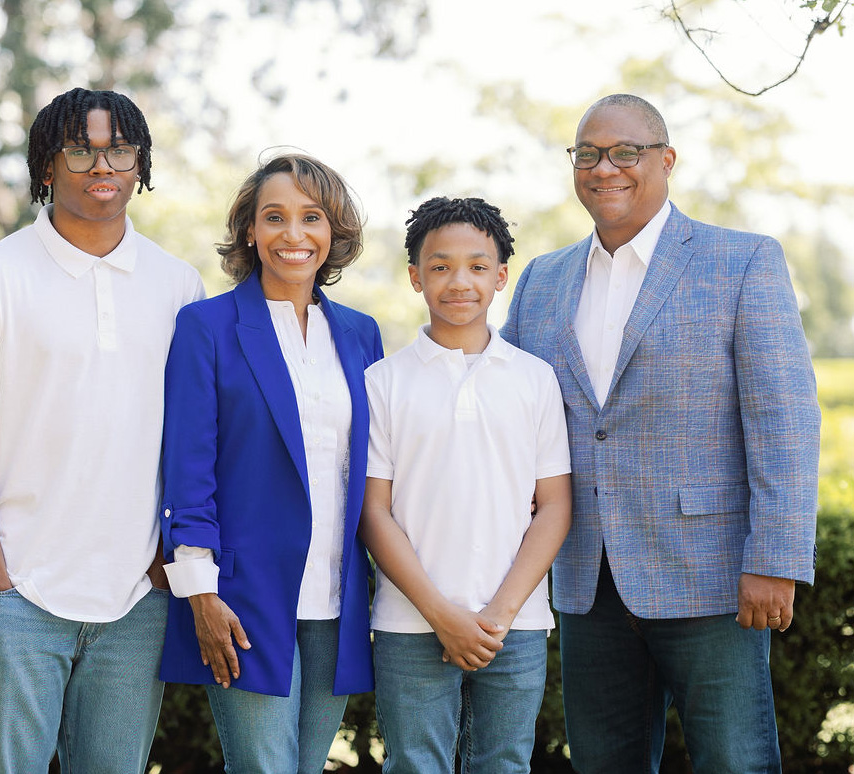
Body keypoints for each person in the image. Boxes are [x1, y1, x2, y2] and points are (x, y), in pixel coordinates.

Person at [501, 93, 820, 773]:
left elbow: (784, 420)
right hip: (585, 579)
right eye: (586, 154)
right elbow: (504, 408)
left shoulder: (741, 262)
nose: (603, 167)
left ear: (665, 160)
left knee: (735, 762)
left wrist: (776, 559)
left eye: (624, 151)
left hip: (711, 576)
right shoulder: (539, 280)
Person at [0, 87, 205, 774]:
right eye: (80, 147)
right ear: (47, 164)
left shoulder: (179, 285)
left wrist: (161, 568)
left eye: (118, 147)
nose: (101, 163)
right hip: (21, 591)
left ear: (139, 164)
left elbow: (195, 439)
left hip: (138, 596)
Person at [158, 152, 382, 773]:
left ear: (333, 231)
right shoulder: (207, 326)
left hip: (336, 597)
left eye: (311, 218)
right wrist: (201, 591)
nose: (293, 234)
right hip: (242, 597)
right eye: (274, 217)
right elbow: (188, 466)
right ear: (249, 230)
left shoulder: (361, 335)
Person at [359, 196, 572, 773]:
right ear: (414, 277)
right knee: (415, 764)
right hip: (411, 621)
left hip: (516, 624)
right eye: (440, 265)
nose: (460, 282)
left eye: (478, 267)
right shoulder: (383, 383)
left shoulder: (535, 379)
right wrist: (441, 614)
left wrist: (499, 614)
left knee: (504, 764)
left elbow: (554, 507)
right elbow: (375, 513)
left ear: (502, 276)